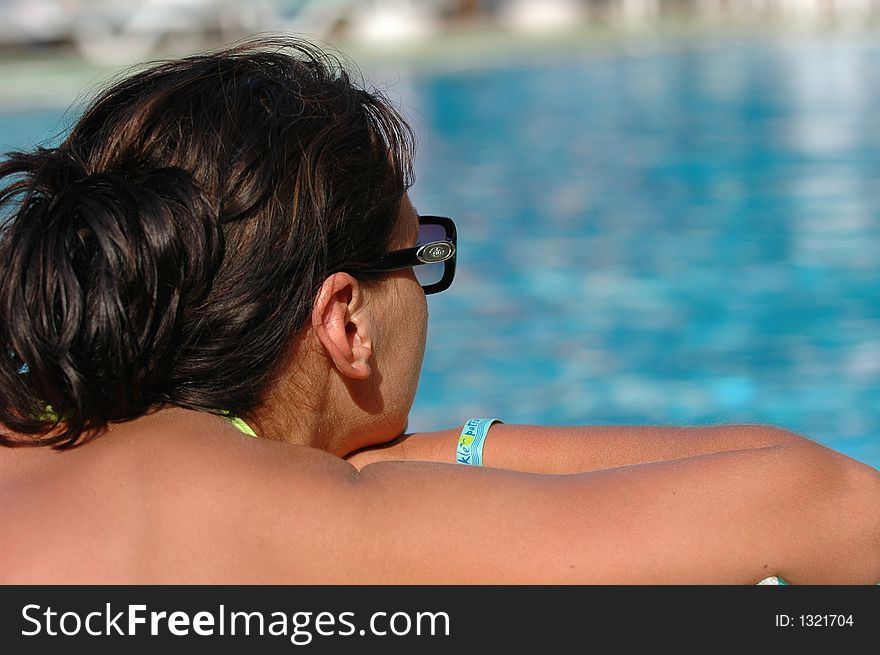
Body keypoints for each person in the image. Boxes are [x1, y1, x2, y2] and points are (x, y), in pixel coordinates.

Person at [0, 36, 877, 585]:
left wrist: (418, 457)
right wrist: (409, 465)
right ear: (344, 321)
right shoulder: (275, 515)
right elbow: (822, 506)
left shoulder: (40, 426)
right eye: (422, 258)